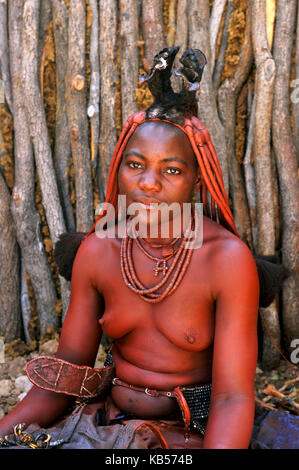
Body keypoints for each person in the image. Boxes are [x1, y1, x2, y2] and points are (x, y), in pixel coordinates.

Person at [0, 47, 287, 449]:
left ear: (195, 182)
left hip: (198, 432)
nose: (149, 183)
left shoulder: (225, 260)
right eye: (135, 165)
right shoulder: (99, 251)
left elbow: (233, 398)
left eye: (171, 170)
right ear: (118, 169)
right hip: (108, 426)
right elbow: (66, 377)